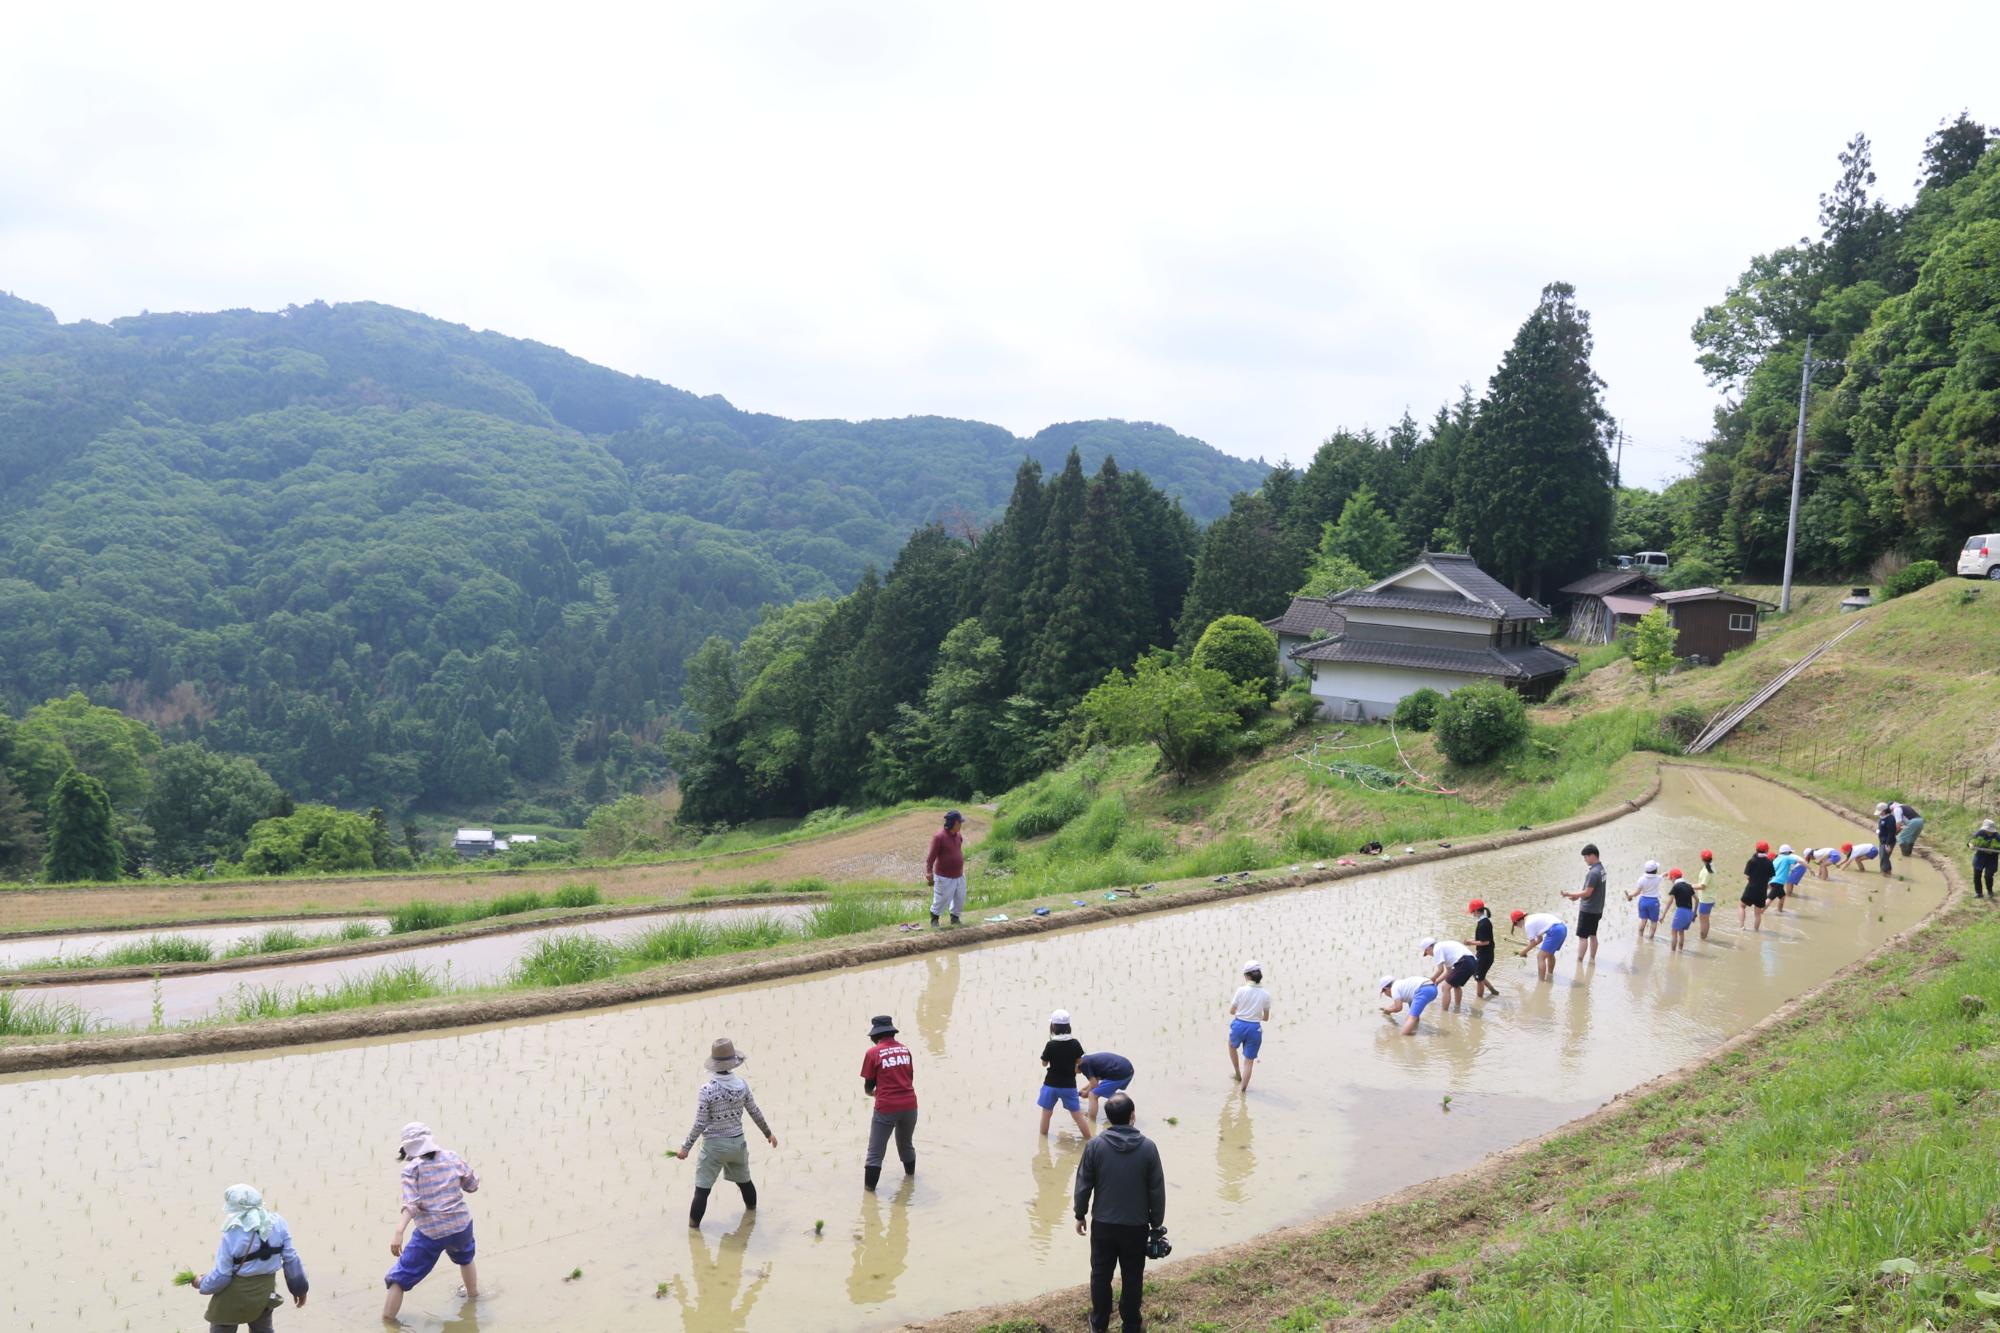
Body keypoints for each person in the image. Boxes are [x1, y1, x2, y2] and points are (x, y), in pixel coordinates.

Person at [1072, 1091, 1166, 1333]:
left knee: (1101, 1275)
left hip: (1103, 1224)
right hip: (1135, 1226)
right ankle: (1132, 1324)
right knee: (1133, 1276)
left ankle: (1099, 1323)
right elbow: (1156, 1189)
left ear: (1108, 1118)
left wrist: (1080, 1214)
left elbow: (1083, 1184)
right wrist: (1156, 1224)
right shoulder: (1148, 1148)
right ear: (1132, 1116)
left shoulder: (1094, 1146)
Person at [676, 1037, 777, 1228]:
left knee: (702, 1191)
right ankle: (752, 1217)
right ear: (733, 1063)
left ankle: (693, 1232)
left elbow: (700, 1122)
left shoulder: (707, 1090)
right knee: (745, 1182)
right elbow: (754, 1111)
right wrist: (768, 1133)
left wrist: (685, 1147)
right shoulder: (742, 1086)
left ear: (713, 1064)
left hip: (714, 1147)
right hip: (737, 1145)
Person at [383, 1123, 479, 1321]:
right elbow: (472, 1185)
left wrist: (399, 1231)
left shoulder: (411, 1169)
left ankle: (387, 1321)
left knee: (399, 1278)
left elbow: (412, 1204)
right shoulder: (452, 1157)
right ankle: (473, 1296)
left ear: (407, 1148)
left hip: (431, 1232)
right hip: (461, 1225)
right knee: (465, 1257)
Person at [195, 1184, 308, 1333]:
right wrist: (299, 1289)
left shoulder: (232, 1233)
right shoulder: (279, 1223)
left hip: (231, 1300)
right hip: (263, 1297)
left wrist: (201, 1282)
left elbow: (222, 1277)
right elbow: (291, 1259)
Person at [859, 1015, 918, 1191]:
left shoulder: (873, 1053)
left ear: (874, 1036)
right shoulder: (905, 1050)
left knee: (875, 1154)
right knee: (906, 1145)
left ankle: (869, 1197)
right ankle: (910, 1183)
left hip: (886, 1107)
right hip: (910, 1105)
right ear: (892, 1032)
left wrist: (874, 1094)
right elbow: (909, 1078)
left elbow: (869, 1086)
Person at [1038, 1009, 1095, 1139]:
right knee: (1077, 1115)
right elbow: (1080, 1060)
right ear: (1068, 1026)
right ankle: (1089, 1140)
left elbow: (1044, 1063)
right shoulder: (1074, 1043)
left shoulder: (1051, 1044)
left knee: (1046, 1114)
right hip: (1068, 1085)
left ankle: (1043, 1143)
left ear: (1053, 1026)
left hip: (1050, 1085)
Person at [1227, 961, 1272, 1092]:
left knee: (1231, 1045)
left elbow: (1231, 1011)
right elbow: (1266, 1018)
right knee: (1249, 1061)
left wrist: (1243, 1013)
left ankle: (1237, 1073)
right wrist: (1255, 1016)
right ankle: (1243, 1090)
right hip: (1255, 1029)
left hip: (1239, 1025)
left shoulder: (1241, 990)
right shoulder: (1266, 994)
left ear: (1247, 976)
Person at [1560, 844, 1607, 965]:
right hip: (1597, 909)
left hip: (1588, 910)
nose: (1585, 860)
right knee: (1593, 934)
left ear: (1592, 856)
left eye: (1585, 857)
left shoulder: (1593, 873)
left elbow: (1587, 892)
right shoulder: (1602, 870)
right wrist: (1577, 896)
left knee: (1583, 937)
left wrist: (1570, 893)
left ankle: (1579, 961)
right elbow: (1591, 891)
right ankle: (1592, 959)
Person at [924, 810, 968, 927]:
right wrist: (929, 872)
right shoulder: (939, 837)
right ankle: (934, 919)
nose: (960, 825)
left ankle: (955, 917)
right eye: (959, 822)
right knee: (941, 899)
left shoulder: (958, 836)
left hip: (959, 874)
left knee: (960, 897)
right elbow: (931, 857)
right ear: (953, 823)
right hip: (944, 876)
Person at [1420, 936, 1477, 1011]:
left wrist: (1431, 980)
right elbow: (1448, 971)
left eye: (1427, 953)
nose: (1430, 955)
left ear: (1428, 948)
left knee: (1445, 987)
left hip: (1464, 961)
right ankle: (1457, 1008)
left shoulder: (1437, 948)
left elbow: (1440, 970)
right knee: (1456, 985)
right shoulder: (1443, 946)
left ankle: (1444, 1012)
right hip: (1473, 962)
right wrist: (1436, 982)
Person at [1510, 909, 1567, 981]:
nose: (1516, 926)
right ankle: (1550, 976)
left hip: (1555, 931)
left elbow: (1533, 943)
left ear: (1517, 921)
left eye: (1515, 924)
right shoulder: (1531, 918)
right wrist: (1525, 951)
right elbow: (1539, 939)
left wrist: (1523, 952)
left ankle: (1541, 982)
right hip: (1562, 928)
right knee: (1550, 954)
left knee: (1540, 957)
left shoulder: (1528, 924)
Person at [1079, 1051, 1136, 1122]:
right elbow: (1095, 1080)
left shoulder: (1082, 1064)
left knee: (1092, 1095)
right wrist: (1084, 1089)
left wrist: (1086, 1093)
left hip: (1119, 1072)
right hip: (1127, 1070)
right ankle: (1127, 1109)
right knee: (1108, 1094)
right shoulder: (1087, 1060)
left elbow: (1094, 1085)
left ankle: (1091, 1121)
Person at [1467, 899, 1500, 999]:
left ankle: (1479, 999)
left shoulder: (1483, 924)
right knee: (1476, 973)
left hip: (1485, 955)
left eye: (1472, 912)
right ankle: (1493, 991)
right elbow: (1483, 939)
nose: (1472, 914)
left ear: (1476, 911)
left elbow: (1485, 942)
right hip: (1484, 954)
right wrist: (1473, 941)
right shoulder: (1485, 922)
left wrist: (1470, 942)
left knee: (1479, 978)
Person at [1740, 840, 1775, 931]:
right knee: (1758, 914)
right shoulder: (1769, 863)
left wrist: (1752, 880)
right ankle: (1756, 930)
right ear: (1767, 850)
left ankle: (1742, 927)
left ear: (1756, 849)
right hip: (1762, 890)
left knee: (1742, 906)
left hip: (1751, 888)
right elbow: (1771, 876)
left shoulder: (1751, 861)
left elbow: (1747, 876)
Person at [1626, 859, 1665, 940]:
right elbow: (1662, 876)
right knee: (1654, 921)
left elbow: (1637, 892)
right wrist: (1665, 874)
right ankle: (1651, 938)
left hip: (1643, 901)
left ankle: (1640, 937)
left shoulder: (1641, 879)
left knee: (1643, 920)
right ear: (1655, 870)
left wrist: (1631, 895)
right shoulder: (1658, 878)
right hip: (1654, 902)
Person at [1665, 868, 1696, 952]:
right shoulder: (1689, 886)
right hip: (1690, 912)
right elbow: (1697, 900)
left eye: (1671, 878)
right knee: (1681, 932)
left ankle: (1672, 952)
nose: (1671, 880)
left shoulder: (1676, 886)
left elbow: (1670, 901)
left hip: (1681, 912)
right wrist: (1694, 914)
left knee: (1674, 931)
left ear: (1674, 878)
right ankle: (1680, 951)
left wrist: (1663, 915)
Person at [1970, 819, 2000, 900]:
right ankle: (1979, 893)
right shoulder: (1980, 833)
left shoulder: (1997, 837)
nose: (1988, 832)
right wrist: (1971, 844)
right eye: (1987, 830)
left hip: (1992, 860)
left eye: (1990, 830)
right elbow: (1971, 841)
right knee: (1977, 875)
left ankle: (1990, 892)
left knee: (1988, 876)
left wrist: (1992, 851)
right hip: (1980, 858)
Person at [1768, 844, 1802, 915]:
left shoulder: (1780, 860)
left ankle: (1762, 911)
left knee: (1771, 897)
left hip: (1797, 867)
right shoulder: (1781, 858)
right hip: (1780, 881)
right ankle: (1779, 910)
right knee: (1782, 896)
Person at [1694, 850, 1716, 941]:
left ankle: (1702, 939)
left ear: (1702, 859)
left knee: (1703, 921)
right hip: (1710, 898)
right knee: (1706, 920)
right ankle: (1704, 938)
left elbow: (1702, 886)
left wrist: (1690, 886)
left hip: (1705, 900)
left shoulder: (1707, 871)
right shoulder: (1711, 867)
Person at [1876, 804, 1899, 876]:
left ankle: (1886, 872)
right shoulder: (1882, 817)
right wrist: (1878, 831)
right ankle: (1886, 871)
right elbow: (1881, 827)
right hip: (1882, 841)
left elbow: (1891, 832)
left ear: (1884, 811)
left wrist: (1887, 844)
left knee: (1884, 857)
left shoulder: (1890, 819)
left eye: (1880, 811)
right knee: (1882, 857)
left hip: (1887, 842)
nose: (1879, 813)